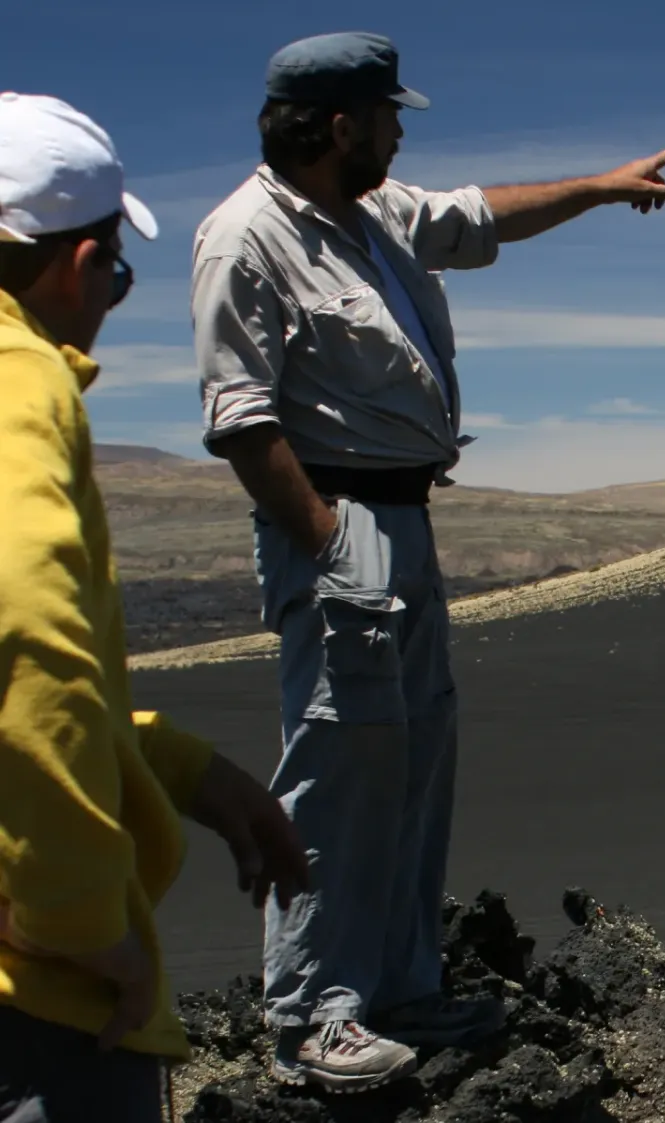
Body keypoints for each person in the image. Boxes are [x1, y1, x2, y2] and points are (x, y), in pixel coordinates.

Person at [189, 31, 665, 1092]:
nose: (400, 132)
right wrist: (327, 542)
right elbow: (241, 420)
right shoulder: (245, 239)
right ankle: (312, 1015)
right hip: (340, 523)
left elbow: (483, 213)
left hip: (403, 521)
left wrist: (601, 187)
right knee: (339, 763)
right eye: (388, 115)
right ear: (341, 126)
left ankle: (401, 985)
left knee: (413, 759)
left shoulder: (375, 215)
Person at [0, 92, 311, 1123]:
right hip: (36, 1005)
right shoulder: (17, 378)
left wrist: (168, 763)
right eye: (118, 277)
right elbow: (24, 630)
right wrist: (83, 924)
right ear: (82, 264)